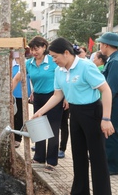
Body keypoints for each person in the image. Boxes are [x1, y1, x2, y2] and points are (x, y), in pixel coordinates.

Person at [33, 37, 113, 194]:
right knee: (78, 155)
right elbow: (57, 95)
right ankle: (79, 191)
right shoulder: (58, 70)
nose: (53, 60)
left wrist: (106, 118)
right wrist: (40, 111)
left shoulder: (85, 66)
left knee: (97, 157)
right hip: (75, 113)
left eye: (55, 56)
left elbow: (106, 90)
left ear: (66, 53)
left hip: (93, 112)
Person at [12, 36, 63, 172]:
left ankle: (51, 161)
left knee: (52, 129)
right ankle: (39, 156)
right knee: (39, 127)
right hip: (38, 98)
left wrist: (66, 98)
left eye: (37, 49)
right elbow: (17, 78)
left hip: (54, 97)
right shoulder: (29, 63)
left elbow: (63, 78)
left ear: (44, 47)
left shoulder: (53, 62)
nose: (35, 52)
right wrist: (8, 93)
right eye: (33, 49)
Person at [97, 32, 118, 175]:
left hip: (114, 104)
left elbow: (111, 88)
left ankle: (111, 167)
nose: (99, 47)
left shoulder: (115, 61)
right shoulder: (112, 59)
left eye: (101, 44)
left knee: (110, 134)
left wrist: (106, 108)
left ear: (106, 45)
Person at [12, 57, 31, 148]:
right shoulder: (10, 63)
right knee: (12, 116)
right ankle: (11, 136)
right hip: (12, 94)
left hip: (22, 94)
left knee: (20, 117)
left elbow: (31, 78)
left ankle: (18, 138)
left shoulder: (27, 63)